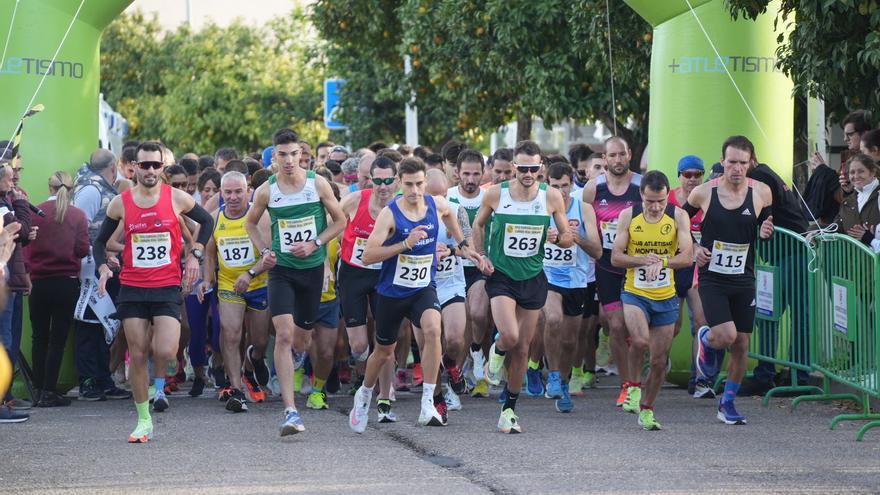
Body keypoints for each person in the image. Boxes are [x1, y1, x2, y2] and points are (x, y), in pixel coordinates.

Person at [349, 157, 482, 433]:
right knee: (384, 351)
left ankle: (427, 402)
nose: (415, 190)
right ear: (399, 183)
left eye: (419, 184)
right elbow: (369, 254)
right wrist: (404, 244)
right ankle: (363, 395)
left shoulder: (435, 204)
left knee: (434, 330)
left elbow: (450, 215)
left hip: (423, 288)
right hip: (392, 292)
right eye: (408, 185)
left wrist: (462, 243)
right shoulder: (390, 213)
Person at [94, 140, 215, 442]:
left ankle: (159, 379)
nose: (150, 170)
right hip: (133, 287)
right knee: (137, 353)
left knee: (165, 349)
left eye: (155, 165)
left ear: (162, 168)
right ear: (133, 167)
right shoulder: (120, 203)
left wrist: (196, 253)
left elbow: (206, 221)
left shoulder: (176, 198)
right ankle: (143, 420)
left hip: (166, 286)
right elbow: (99, 242)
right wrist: (103, 266)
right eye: (144, 165)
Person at [245, 128, 346, 436]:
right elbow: (249, 222)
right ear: (274, 157)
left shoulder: (318, 184)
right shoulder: (266, 190)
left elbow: (341, 221)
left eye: (294, 154)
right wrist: (264, 251)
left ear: (302, 155)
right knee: (285, 335)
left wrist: (315, 243)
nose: (289, 161)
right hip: (282, 271)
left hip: (312, 270)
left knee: (302, 341)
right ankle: (290, 411)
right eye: (282, 155)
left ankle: (294, 361)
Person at [474, 140, 573, 434]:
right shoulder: (496, 193)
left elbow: (568, 237)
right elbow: (478, 225)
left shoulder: (551, 197)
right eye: (522, 168)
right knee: (510, 335)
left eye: (533, 168)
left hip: (533, 277)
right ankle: (496, 349)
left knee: (522, 349)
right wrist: (481, 256)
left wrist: (557, 238)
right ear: (514, 167)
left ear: (540, 167)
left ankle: (509, 410)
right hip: (502, 274)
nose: (528, 173)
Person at [686, 135, 774, 425]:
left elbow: (766, 222)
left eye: (742, 162)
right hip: (713, 277)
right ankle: (707, 341)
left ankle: (727, 403)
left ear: (751, 163)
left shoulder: (762, 192)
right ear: (722, 161)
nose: (736, 168)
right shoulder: (703, 193)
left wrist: (765, 229)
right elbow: (677, 221)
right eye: (731, 162)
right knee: (725, 336)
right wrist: (695, 247)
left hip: (744, 277)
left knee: (742, 345)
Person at [611, 170, 693, 430]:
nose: (656, 207)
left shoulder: (679, 216)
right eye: (650, 201)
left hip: (666, 296)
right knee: (640, 340)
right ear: (641, 196)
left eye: (660, 201)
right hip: (635, 292)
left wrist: (664, 261)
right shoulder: (629, 216)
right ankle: (633, 386)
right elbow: (616, 256)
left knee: (659, 361)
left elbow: (687, 257)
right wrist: (641, 261)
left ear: (667, 196)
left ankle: (647, 409)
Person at [199, 171, 272, 412]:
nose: (232, 197)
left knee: (260, 342)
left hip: (258, 284)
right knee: (230, 335)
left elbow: (270, 255)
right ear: (221, 193)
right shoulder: (214, 218)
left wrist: (249, 274)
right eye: (228, 192)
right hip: (230, 285)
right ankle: (237, 389)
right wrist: (207, 280)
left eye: (238, 191)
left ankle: (254, 364)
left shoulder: (259, 217)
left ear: (248, 191)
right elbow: (210, 254)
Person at [581, 136, 643, 408]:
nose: (618, 160)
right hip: (607, 266)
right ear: (604, 159)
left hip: (636, 265)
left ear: (629, 154)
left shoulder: (642, 186)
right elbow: (591, 232)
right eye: (612, 156)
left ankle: (637, 378)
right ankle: (627, 385)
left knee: (639, 332)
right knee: (616, 326)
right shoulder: (593, 189)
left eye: (622, 154)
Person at [338, 156, 400, 422]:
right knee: (359, 344)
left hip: (385, 275)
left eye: (388, 181)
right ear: (370, 180)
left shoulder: (402, 206)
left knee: (385, 342)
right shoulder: (355, 200)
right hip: (354, 273)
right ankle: (365, 376)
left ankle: (385, 397)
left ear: (396, 181)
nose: (383, 186)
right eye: (378, 181)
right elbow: (332, 223)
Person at [540, 162, 602, 412]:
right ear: (547, 186)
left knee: (569, 340)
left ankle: (563, 382)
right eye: (555, 186)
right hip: (547, 276)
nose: (561, 191)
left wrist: (578, 238)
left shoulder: (584, 209)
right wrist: (545, 236)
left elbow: (597, 251)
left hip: (577, 281)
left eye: (565, 186)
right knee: (553, 319)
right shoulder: (539, 207)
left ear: (571, 185)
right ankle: (553, 374)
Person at [25, 172, 90, 407]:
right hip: (66, 282)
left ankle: (38, 388)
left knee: (38, 337)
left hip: (39, 281)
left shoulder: (34, 212)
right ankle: (50, 391)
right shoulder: (78, 215)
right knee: (58, 339)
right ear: (71, 189)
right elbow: (83, 249)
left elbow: (25, 246)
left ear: (49, 187)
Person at [72, 149, 131, 402]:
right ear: (113, 167)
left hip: (106, 266)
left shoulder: (102, 188)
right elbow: (79, 229)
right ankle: (88, 381)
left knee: (104, 326)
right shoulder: (91, 190)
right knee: (88, 327)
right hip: (90, 269)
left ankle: (103, 379)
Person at [446, 149, 492, 397]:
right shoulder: (448, 197)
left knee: (477, 313)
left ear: (483, 173)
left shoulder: (489, 197)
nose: (471, 179)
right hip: (452, 267)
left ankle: (477, 352)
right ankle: (457, 379)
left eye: (476, 174)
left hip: (479, 268)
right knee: (458, 327)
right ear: (457, 173)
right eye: (466, 173)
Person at [425, 169, 472, 411]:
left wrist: (450, 251)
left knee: (454, 339)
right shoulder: (408, 213)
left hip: (451, 281)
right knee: (429, 343)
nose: (440, 201)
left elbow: (469, 247)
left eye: (443, 194)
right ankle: (436, 398)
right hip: (422, 285)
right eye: (434, 196)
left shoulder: (456, 210)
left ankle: (450, 363)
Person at [666, 155, 712, 398]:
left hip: (696, 268)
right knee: (671, 326)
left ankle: (699, 378)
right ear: (679, 176)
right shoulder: (669, 199)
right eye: (687, 175)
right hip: (674, 267)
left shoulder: (706, 199)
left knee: (701, 322)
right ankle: (658, 365)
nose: (693, 179)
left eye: (698, 174)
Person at [833, 154, 880, 245]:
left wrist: (870, 238)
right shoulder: (847, 202)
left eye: (861, 171)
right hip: (853, 259)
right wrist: (816, 231)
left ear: (872, 172)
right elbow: (836, 227)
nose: (856, 176)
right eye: (852, 172)